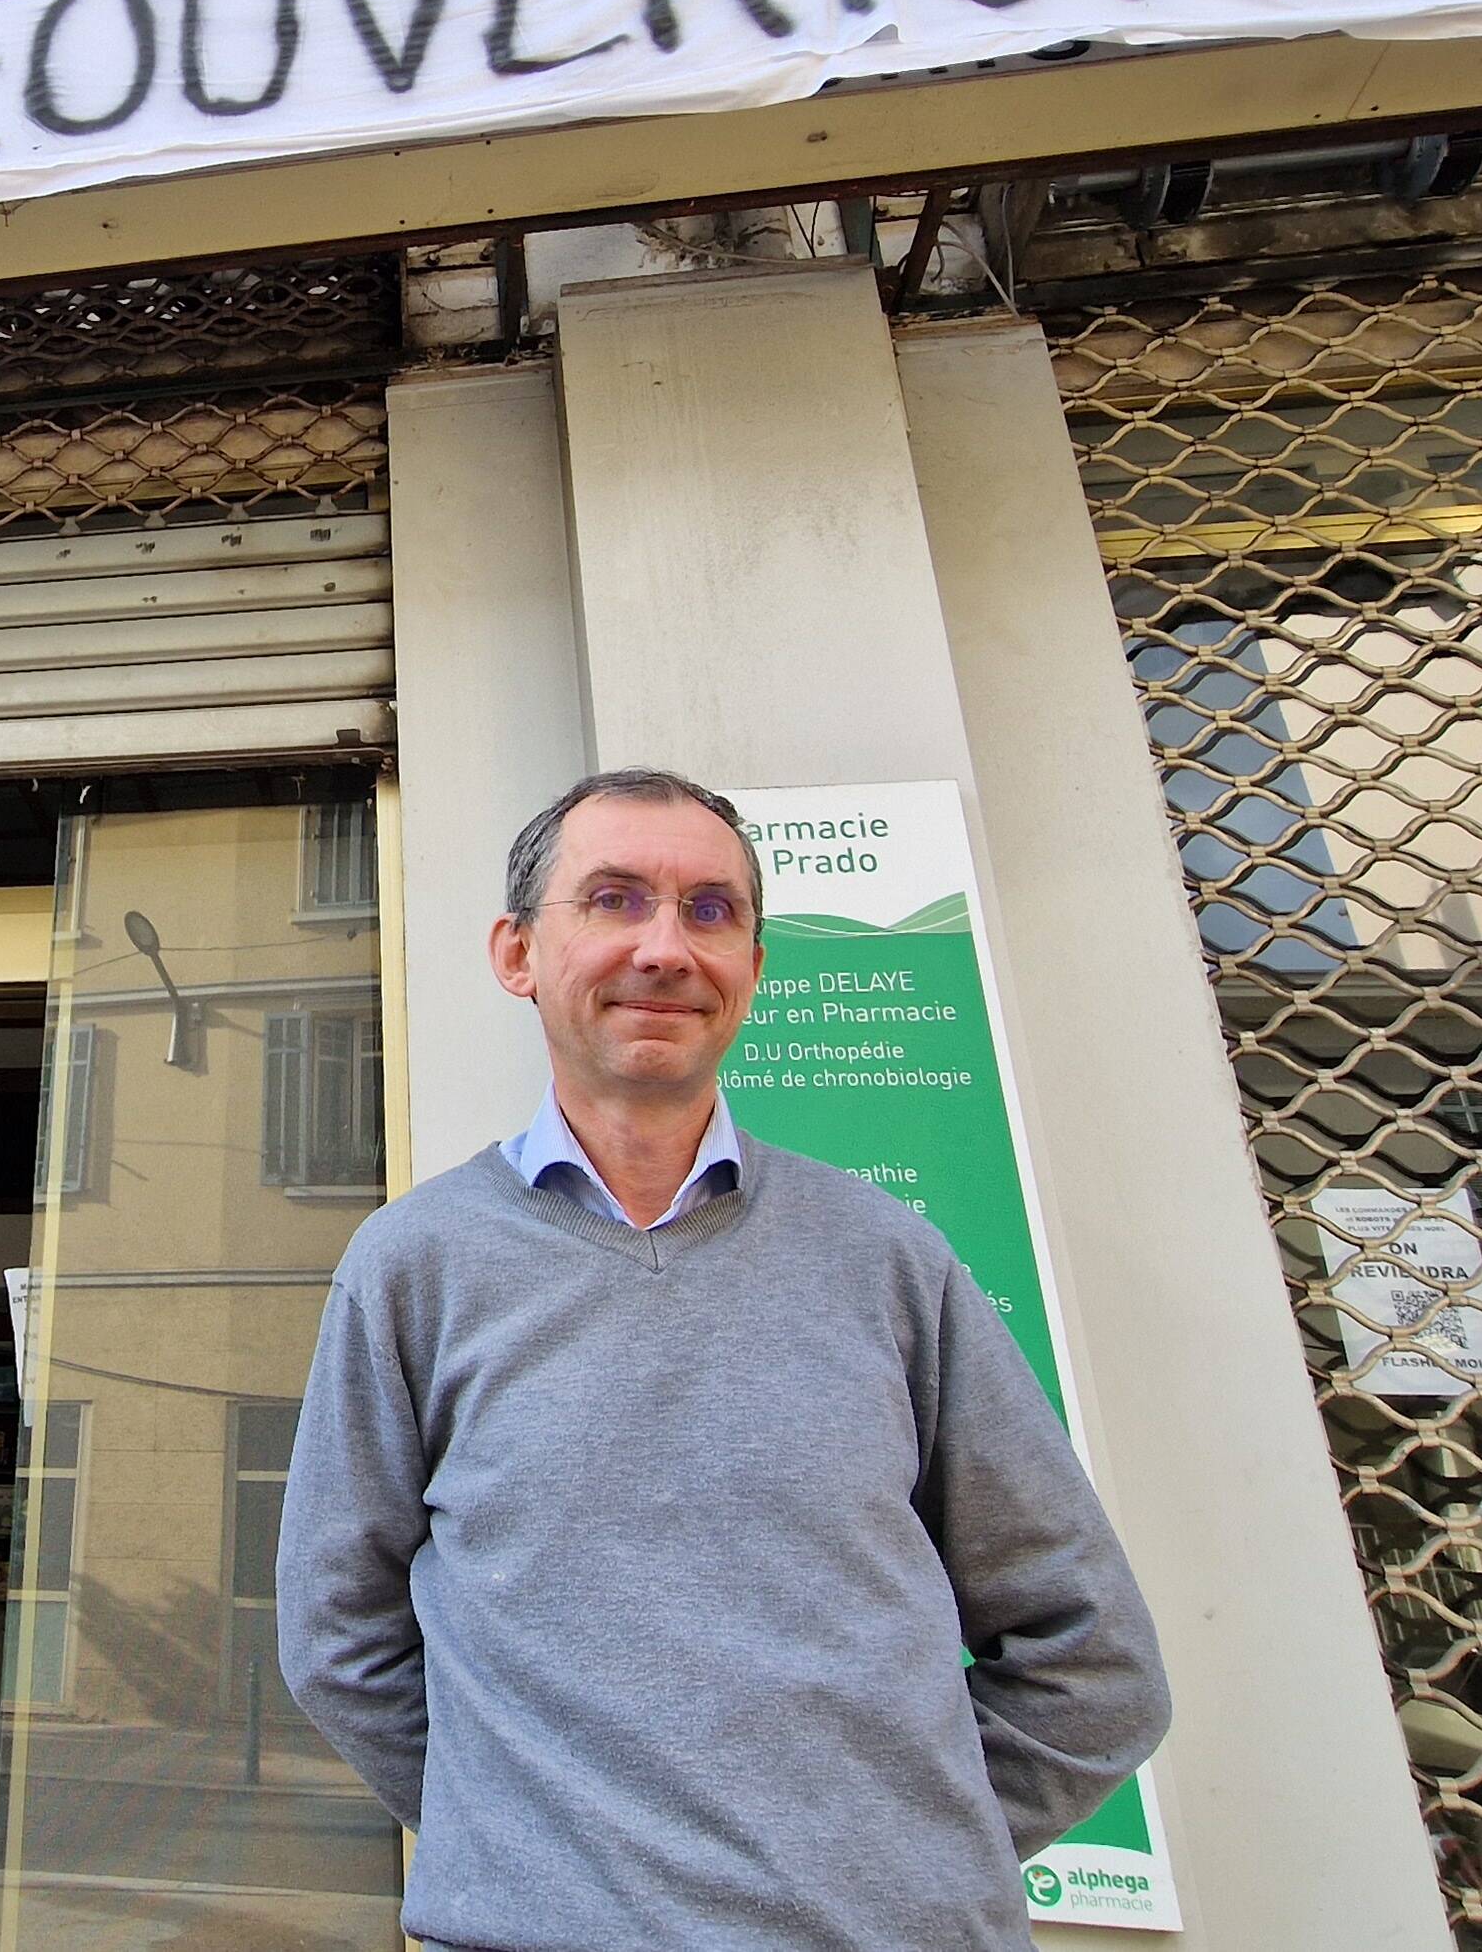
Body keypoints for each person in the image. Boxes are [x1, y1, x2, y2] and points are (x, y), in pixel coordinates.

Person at [275, 767, 1170, 1952]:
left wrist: (909, 1856)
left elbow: (1092, 1654)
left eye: (709, 909)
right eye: (611, 899)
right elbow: (337, 1634)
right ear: (515, 952)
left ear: (752, 963)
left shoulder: (886, 1254)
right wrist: (525, 1847)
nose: (664, 945)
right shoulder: (413, 1265)